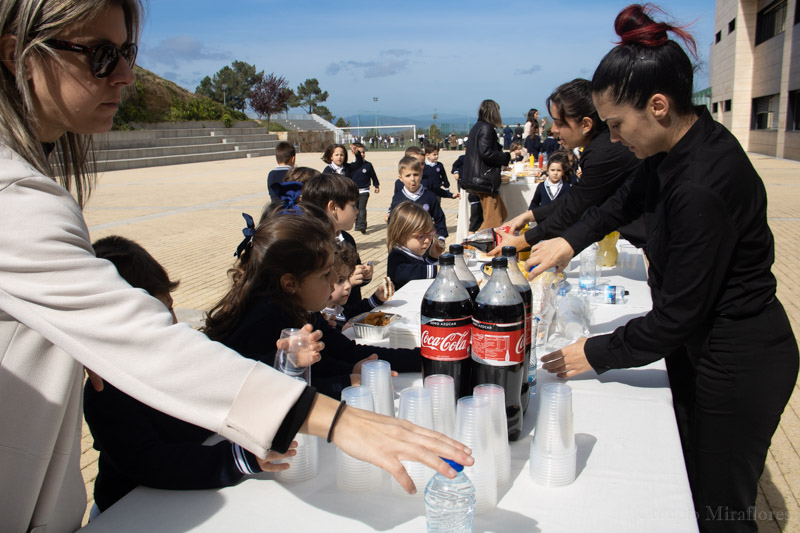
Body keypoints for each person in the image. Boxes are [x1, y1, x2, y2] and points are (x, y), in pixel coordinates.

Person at [0, 1, 471, 530]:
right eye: (102, 56)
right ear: (19, 54)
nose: (128, 75)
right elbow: (148, 344)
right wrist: (337, 421)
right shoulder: (14, 198)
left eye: (128, 52)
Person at [526, 5, 798, 531]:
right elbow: (624, 200)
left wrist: (594, 352)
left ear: (657, 105)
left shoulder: (702, 182)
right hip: (707, 345)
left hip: (740, 357)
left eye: (617, 125)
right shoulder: (680, 147)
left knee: (721, 508)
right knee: (693, 475)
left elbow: (675, 319)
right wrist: (569, 240)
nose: (615, 138)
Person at [85, 236, 299, 515]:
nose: (171, 322)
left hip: (190, 499)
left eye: (170, 308)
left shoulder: (178, 359)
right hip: (130, 512)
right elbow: (151, 462)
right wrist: (238, 459)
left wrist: (278, 360)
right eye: (156, 314)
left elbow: (225, 384)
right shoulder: (107, 391)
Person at [204, 200, 420, 399]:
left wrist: (427, 358)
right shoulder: (265, 319)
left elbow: (343, 353)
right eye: (326, 273)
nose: (335, 279)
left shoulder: (300, 308)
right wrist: (347, 381)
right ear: (290, 283)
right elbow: (275, 393)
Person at [493, 78, 645, 254]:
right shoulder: (601, 146)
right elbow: (574, 198)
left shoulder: (603, 152)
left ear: (586, 125)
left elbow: (573, 210)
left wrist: (522, 241)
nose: (554, 130)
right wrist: (528, 216)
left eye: (560, 123)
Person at [301, 173, 390, 321]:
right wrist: (348, 280)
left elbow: (352, 281)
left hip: (348, 314)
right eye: (352, 205)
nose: (357, 211)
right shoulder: (314, 248)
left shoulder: (347, 239)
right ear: (333, 207)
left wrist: (363, 276)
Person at [461, 99, 521, 230]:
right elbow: (486, 153)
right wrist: (508, 156)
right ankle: (474, 245)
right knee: (493, 221)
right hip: (485, 181)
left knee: (501, 213)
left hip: (478, 179)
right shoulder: (487, 128)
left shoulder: (477, 127)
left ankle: (477, 242)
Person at [388, 155, 449, 244]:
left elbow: (439, 218)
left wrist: (441, 237)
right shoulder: (398, 198)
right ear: (400, 178)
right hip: (405, 244)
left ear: (421, 174)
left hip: (427, 243)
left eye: (416, 174)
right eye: (408, 175)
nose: (412, 179)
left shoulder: (429, 196)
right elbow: (392, 221)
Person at [386, 202, 442, 289]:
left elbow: (420, 269)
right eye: (421, 236)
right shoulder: (397, 255)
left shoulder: (413, 251)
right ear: (402, 236)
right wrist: (436, 270)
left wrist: (432, 258)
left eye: (430, 235)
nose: (427, 241)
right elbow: (405, 273)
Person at [349, 142, 380, 234]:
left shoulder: (368, 165)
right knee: (355, 208)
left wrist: (376, 185)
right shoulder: (351, 166)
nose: (362, 154)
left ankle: (362, 225)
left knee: (362, 208)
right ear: (353, 152)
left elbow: (373, 176)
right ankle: (357, 224)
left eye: (363, 152)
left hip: (364, 191)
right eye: (360, 152)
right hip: (353, 192)